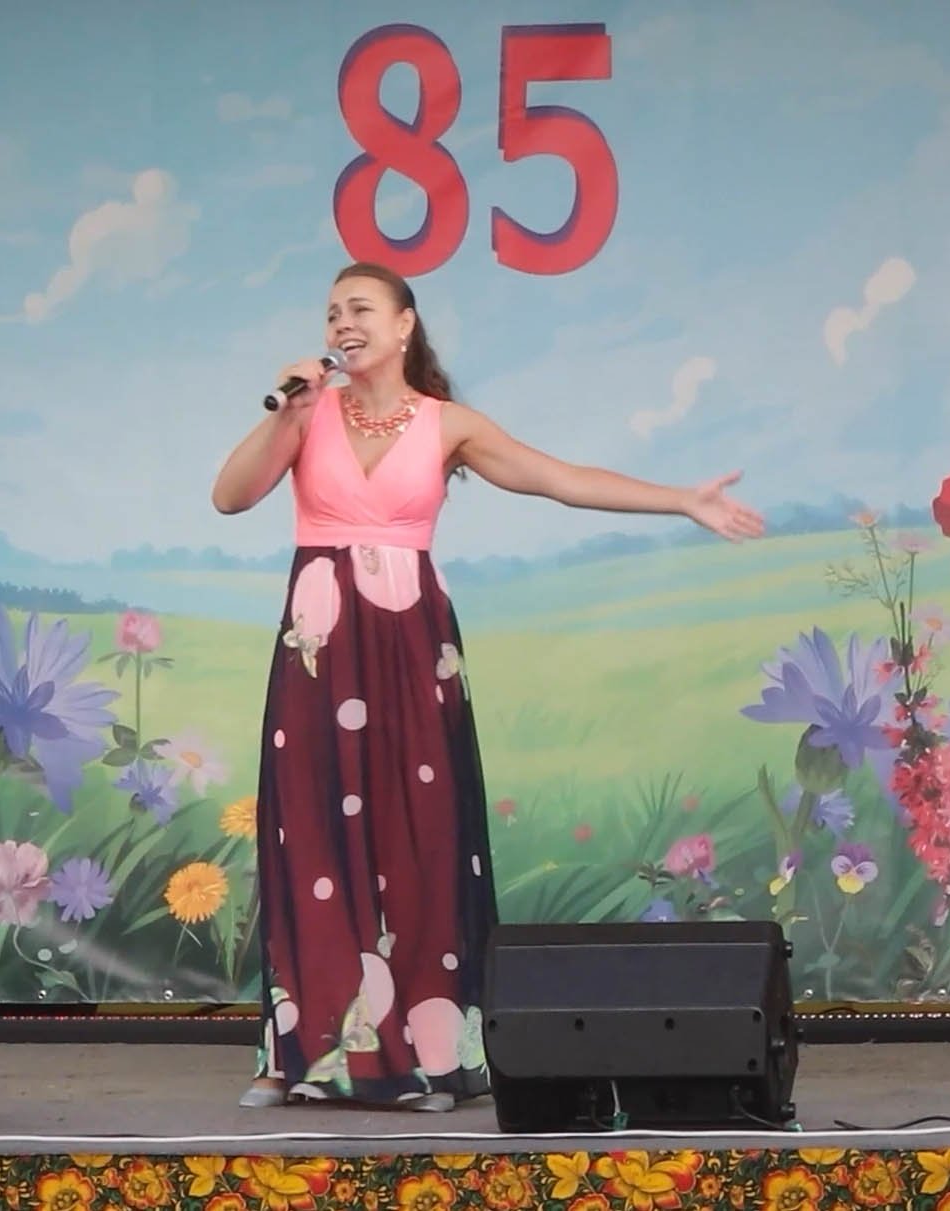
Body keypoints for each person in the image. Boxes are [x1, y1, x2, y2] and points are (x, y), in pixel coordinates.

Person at [211, 262, 765, 1112]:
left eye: (360, 308)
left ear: (404, 324)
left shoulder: (447, 424)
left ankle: (431, 1059)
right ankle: (298, 1054)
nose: (343, 323)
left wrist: (681, 501)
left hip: (410, 650)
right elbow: (230, 496)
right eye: (332, 312)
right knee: (311, 840)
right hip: (319, 651)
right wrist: (286, 409)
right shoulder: (308, 413)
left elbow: (559, 478)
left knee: (421, 840)